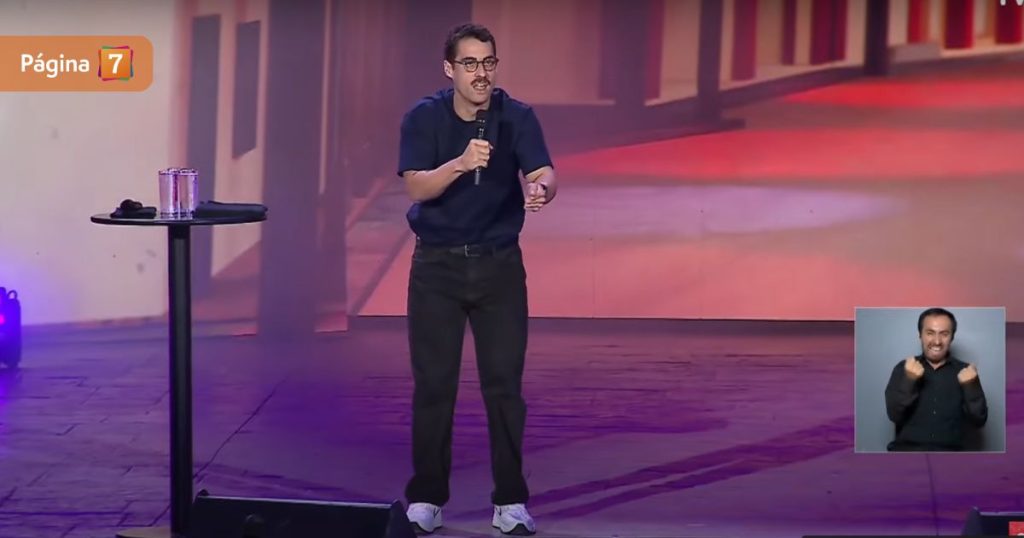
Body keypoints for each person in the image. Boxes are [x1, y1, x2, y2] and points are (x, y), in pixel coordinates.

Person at [396, 22, 556, 536]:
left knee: (504, 387)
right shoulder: (424, 117)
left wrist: (542, 188)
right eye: (470, 64)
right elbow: (417, 187)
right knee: (434, 386)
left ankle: (510, 501)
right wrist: (462, 163)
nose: (481, 73)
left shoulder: (517, 116)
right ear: (450, 69)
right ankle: (427, 498)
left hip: (499, 268)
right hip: (437, 268)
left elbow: (544, 171)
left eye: (488, 62)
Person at [884, 308, 988, 451]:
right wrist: (909, 380)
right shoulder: (903, 368)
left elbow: (979, 421)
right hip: (907, 453)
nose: (937, 341)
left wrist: (971, 387)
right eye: (930, 333)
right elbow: (894, 415)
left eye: (944, 334)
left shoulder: (966, 372)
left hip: (951, 456)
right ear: (920, 335)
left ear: (952, 337)